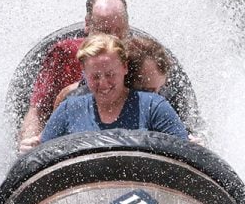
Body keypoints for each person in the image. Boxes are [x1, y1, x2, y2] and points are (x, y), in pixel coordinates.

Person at [22, 34, 187, 151]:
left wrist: (191, 147)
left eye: (110, 74)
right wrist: (31, 151)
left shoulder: (154, 107)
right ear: (85, 73)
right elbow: (41, 156)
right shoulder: (68, 110)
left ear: (124, 67)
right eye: (95, 76)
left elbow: (185, 153)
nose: (103, 83)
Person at [17, 0, 130, 142]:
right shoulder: (65, 54)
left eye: (119, 31)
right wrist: (28, 148)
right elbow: (37, 111)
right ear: (88, 24)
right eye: (104, 31)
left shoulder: (141, 58)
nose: (113, 39)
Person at [52, 37, 205, 143]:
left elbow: (185, 143)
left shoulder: (162, 103)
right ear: (124, 75)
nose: (155, 96)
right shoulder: (74, 104)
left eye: (159, 89)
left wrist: (191, 146)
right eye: (147, 90)